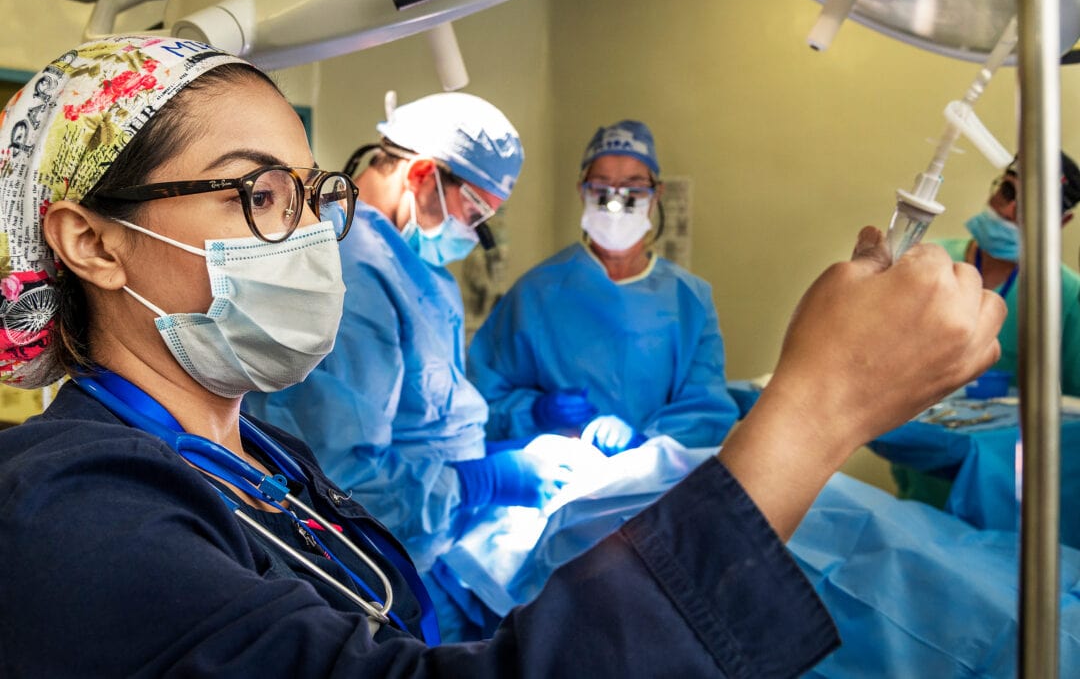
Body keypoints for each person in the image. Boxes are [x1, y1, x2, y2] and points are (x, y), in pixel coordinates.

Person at [0, 35, 1004, 678]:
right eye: (258, 194)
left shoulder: (255, 460)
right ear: (91, 240)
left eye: (314, 196)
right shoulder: (69, 521)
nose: (313, 239)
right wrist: (816, 409)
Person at [240, 91, 590, 639]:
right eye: (475, 211)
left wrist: (505, 448)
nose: (473, 232)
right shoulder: (353, 272)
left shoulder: (419, 270)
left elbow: (424, 420)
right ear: (424, 174)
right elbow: (345, 483)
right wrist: (484, 482)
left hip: (438, 547)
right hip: (383, 575)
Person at [468, 120, 740, 454]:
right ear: (582, 190)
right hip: (565, 481)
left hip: (660, 484)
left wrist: (645, 446)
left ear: (657, 195)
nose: (616, 202)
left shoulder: (690, 300)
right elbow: (481, 399)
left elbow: (706, 410)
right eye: (601, 187)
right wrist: (536, 411)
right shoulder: (536, 293)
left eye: (633, 187)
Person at [889, 152, 1080, 507]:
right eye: (1008, 193)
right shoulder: (929, 262)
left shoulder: (1066, 296)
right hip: (919, 470)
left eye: (1031, 207)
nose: (1009, 212)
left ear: (1062, 222)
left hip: (1008, 484)